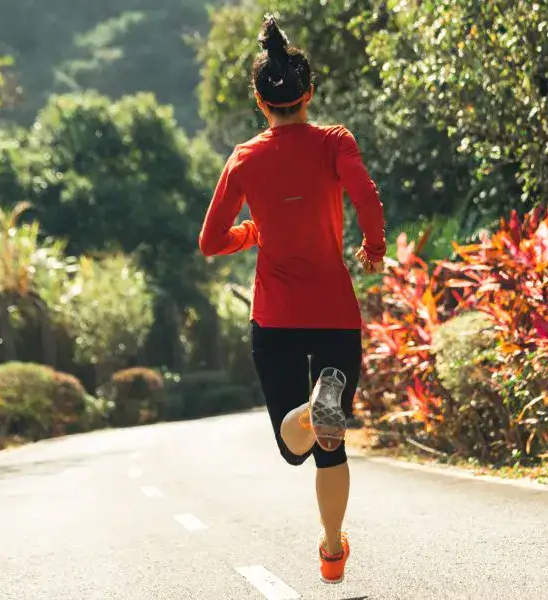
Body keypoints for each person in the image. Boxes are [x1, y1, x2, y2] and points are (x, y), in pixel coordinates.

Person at [197, 14, 386, 586]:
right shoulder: (335, 142)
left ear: (261, 100)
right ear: (309, 94)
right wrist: (373, 247)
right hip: (334, 313)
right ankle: (332, 548)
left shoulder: (246, 158)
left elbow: (210, 242)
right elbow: (366, 196)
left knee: (294, 442)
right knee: (331, 447)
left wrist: (251, 232)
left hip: (275, 320)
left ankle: (308, 410)